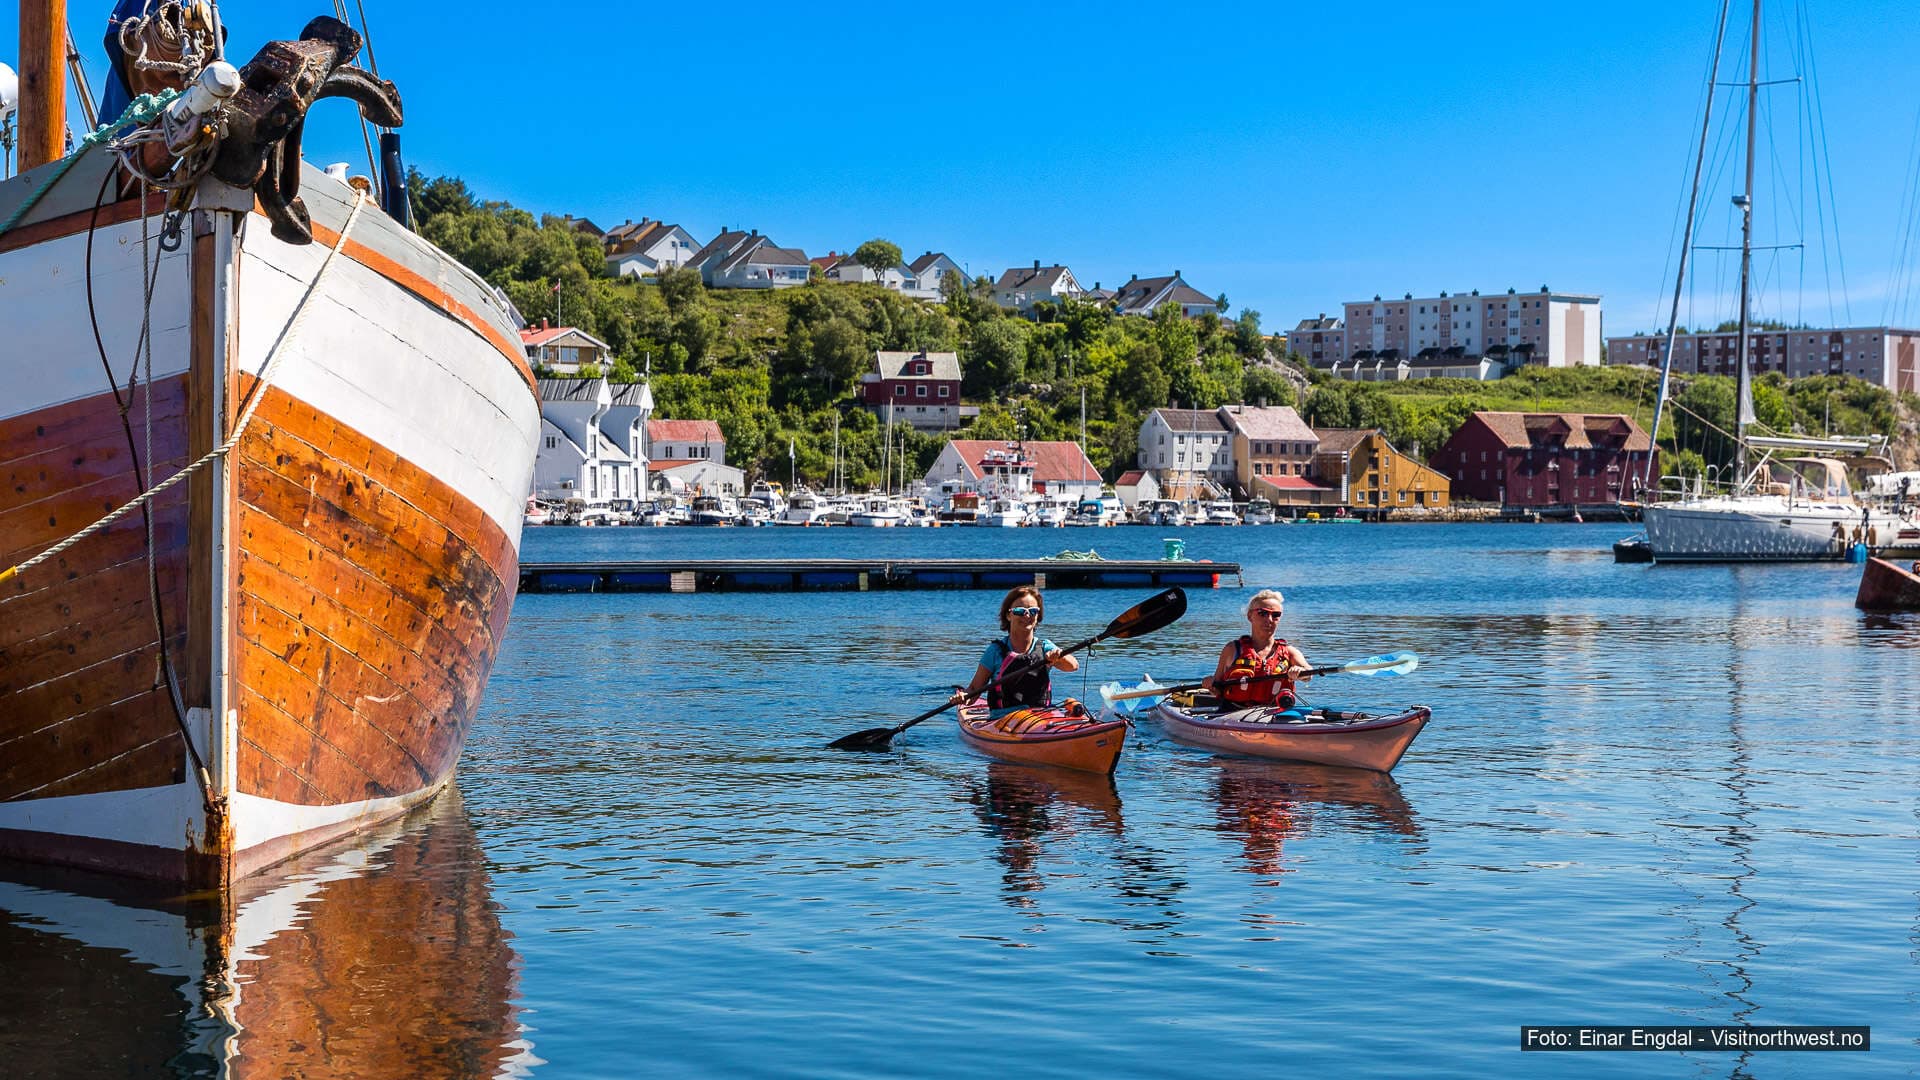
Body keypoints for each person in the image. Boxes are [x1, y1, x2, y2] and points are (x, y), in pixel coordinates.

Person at [949, 587, 1080, 714]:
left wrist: (1058, 657)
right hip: (1002, 720)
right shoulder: (995, 651)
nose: (1027, 615)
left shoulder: (1046, 647)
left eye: (1033, 611)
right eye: (1019, 611)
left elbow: (1073, 666)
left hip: (1040, 717)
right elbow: (973, 689)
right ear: (1008, 615)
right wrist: (963, 697)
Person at [1203, 589, 1311, 710]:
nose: (1269, 619)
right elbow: (1217, 687)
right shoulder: (1232, 649)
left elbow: (1309, 674)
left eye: (1275, 615)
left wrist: (1299, 671)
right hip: (1233, 711)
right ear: (1250, 616)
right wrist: (1210, 683)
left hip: (1275, 713)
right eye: (1262, 613)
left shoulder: (1290, 652)